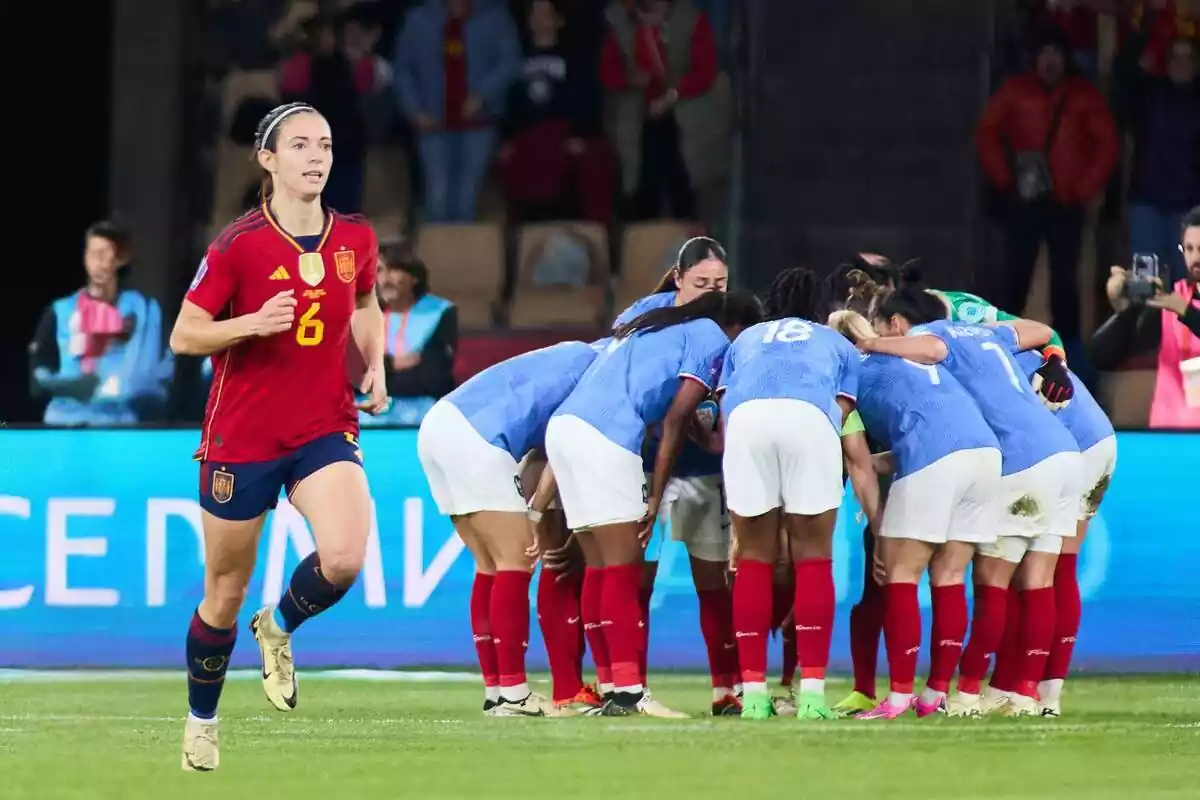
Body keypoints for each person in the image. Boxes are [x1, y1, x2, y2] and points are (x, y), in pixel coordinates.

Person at [169, 102, 388, 771]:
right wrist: (250, 324)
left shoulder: (356, 238)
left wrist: (375, 366)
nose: (316, 156)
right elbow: (184, 334)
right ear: (268, 160)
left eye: (323, 144)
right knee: (223, 594)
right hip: (242, 437)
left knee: (347, 556)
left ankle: (282, 625)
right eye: (299, 145)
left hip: (324, 425)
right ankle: (201, 720)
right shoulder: (237, 245)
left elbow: (365, 303)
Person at [862, 287, 1081, 718]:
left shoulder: (933, 335)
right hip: (1063, 452)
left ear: (898, 323)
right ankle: (1026, 695)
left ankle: (964, 695)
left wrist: (868, 344)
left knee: (991, 582)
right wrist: (1055, 357)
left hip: (1020, 457)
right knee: (1038, 577)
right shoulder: (988, 334)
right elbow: (1042, 329)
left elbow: (929, 345)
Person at [545, 289, 762, 716]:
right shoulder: (700, 336)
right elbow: (672, 418)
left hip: (590, 438)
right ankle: (627, 689)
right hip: (627, 456)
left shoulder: (655, 330)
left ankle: (636, 686)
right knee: (627, 573)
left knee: (623, 570)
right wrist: (658, 489)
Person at [718, 268, 880, 721]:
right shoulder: (836, 343)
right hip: (809, 418)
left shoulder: (746, 339)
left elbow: (729, 406)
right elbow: (841, 412)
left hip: (747, 423)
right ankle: (810, 696)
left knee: (753, 557)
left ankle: (752, 696)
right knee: (812, 557)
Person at [829, 309, 1004, 720]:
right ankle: (935, 694)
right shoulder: (909, 356)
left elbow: (858, 462)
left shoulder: (846, 373)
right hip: (984, 454)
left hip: (934, 457)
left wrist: (879, 529)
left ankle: (898, 696)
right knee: (950, 577)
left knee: (901, 575)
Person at [417, 337, 605, 715]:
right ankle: (515, 693)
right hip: (479, 439)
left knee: (489, 564)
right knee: (516, 561)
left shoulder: (574, 357)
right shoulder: (600, 375)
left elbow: (538, 441)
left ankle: (496, 692)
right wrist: (534, 514)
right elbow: (560, 449)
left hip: (438, 425)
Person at [611, 235, 739, 716]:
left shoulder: (728, 325)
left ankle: (726, 691)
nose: (710, 291)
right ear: (678, 278)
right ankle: (632, 688)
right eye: (701, 282)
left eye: (720, 283)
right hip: (645, 464)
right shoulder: (642, 315)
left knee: (713, 583)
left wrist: (710, 437)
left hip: (705, 471)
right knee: (637, 581)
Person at [991, 348, 1116, 717]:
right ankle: (1045, 693)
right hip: (1097, 439)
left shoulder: (959, 355)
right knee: (1058, 566)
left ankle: (1012, 689)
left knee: (1022, 568)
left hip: (1064, 447)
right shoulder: (1006, 342)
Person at [976, 27, 1118, 342]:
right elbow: (987, 132)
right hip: (1024, 198)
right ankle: (1000, 343)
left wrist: (1084, 188)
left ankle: (1068, 352)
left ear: (1066, 59)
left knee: (1065, 282)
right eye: (1044, 53)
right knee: (1015, 276)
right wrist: (1004, 179)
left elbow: (1106, 144)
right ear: (1034, 58)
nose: (1050, 61)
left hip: (1066, 200)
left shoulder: (1084, 95)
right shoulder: (1015, 90)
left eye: (1056, 54)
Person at [30, 220, 173, 425]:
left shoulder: (146, 310)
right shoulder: (59, 311)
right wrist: (69, 386)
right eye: (93, 254)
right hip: (65, 421)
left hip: (122, 424)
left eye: (106, 254)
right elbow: (39, 372)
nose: (100, 262)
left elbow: (166, 369)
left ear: (122, 258)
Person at [394, 0, 521, 223]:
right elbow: (403, 69)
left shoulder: (494, 14)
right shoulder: (418, 18)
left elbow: (510, 61)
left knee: (467, 196)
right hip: (432, 122)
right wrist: (414, 110)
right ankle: (435, 255)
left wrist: (482, 95)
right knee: (437, 194)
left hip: (479, 122)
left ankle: (463, 255)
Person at [1092, 207, 1200, 428]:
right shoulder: (1172, 301)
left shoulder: (1177, 305)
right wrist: (1129, 308)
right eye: (1189, 249)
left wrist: (1186, 311)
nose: (1195, 258)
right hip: (1168, 437)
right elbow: (1102, 356)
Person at [361, 242, 457, 426]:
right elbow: (349, 377)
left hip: (422, 418)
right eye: (379, 271)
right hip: (367, 420)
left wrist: (380, 370)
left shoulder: (440, 313)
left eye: (394, 270)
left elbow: (433, 379)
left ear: (414, 277)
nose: (385, 280)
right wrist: (392, 364)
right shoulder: (361, 315)